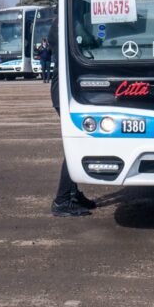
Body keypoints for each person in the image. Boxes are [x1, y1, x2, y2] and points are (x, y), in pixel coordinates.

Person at [47, 20, 95, 217]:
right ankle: (62, 200)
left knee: (77, 145)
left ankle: (73, 194)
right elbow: (91, 41)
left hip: (61, 91)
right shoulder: (69, 22)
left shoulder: (57, 23)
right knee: (76, 146)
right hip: (66, 93)